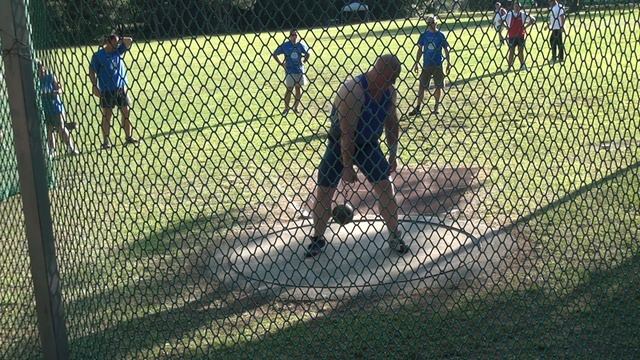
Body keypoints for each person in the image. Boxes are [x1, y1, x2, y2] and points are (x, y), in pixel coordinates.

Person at [304, 54, 408, 258]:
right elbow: (346, 133)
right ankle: (317, 239)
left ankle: (395, 236)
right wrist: (347, 166)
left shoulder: (389, 92)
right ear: (378, 72)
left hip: (369, 145)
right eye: (389, 79)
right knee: (325, 190)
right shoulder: (353, 91)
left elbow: (392, 124)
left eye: (394, 80)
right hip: (339, 145)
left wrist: (393, 155)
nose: (392, 84)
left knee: (386, 187)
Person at [89, 34, 137, 149]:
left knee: (126, 112)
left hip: (120, 88)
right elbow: (92, 71)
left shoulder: (118, 51)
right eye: (115, 42)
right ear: (108, 42)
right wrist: (95, 86)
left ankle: (128, 137)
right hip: (106, 89)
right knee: (107, 115)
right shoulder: (98, 56)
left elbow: (129, 40)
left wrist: (119, 39)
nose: (117, 44)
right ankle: (106, 141)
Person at [408, 15, 451, 116]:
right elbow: (419, 49)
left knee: (438, 86)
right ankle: (418, 107)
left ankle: (436, 106)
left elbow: (446, 49)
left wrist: (448, 63)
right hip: (426, 65)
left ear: (436, 23)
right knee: (421, 86)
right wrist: (416, 62)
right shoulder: (423, 35)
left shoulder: (441, 35)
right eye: (429, 23)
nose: (431, 24)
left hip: (438, 64)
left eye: (433, 22)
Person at [37, 61, 79, 156]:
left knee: (61, 129)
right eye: (39, 68)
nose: (41, 70)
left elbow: (60, 89)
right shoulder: (35, 81)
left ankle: (71, 148)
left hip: (56, 108)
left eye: (41, 67)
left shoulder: (50, 77)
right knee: (49, 129)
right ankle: (52, 150)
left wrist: (56, 92)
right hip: (45, 109)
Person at [272, 29, 311, 115]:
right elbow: (275, 54)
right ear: (290, 36)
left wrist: (304, 62)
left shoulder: (300, 45)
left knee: (298, 88)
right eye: (292, 35)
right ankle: (286, 108)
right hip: (290, 71)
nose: (294, 37)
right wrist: (281, 64)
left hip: (299, 70)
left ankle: (295, 107)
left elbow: (308, 53)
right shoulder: (286, 45)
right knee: (289, 89)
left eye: (295, 35)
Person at [504, 2, 536, 71]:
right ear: (513, 7)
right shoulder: (509, 15)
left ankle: (522, 65)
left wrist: (525, 27)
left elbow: (533, 19)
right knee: (511, 51)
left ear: (520, 7)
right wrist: (506, 27)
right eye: (515, 6)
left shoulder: (523, 14)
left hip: (520, 36)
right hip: (512, 36)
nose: (516, 8)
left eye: (518, 7)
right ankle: (510, 66)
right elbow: (500, 20)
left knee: (520, 51)